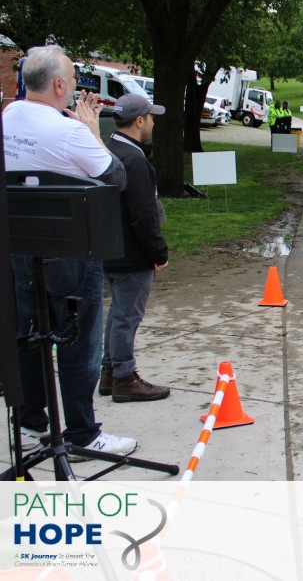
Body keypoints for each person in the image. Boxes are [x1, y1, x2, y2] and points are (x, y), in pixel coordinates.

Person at [2, 44, 137, 458]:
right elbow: (116, 177)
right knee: (79, 340)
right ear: (59, 85)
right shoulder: (70, 132)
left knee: (29, 333)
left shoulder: (9, 116)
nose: (77, 86)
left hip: (21, 246)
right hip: (71, 250)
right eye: (74, 79)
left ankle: (30, 420)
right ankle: (82, 431)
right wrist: (92, 132)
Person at [98, 93, 171, 403]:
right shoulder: (135, 160)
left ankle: (110, 372)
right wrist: (159, 252)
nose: (153, 123)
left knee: (117, 314)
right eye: (151, 118)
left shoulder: (108, 149)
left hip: (110, 249)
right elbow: (143, 214)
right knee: (127, 316)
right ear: (139, 121)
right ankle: (125, 377)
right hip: (132, 254)